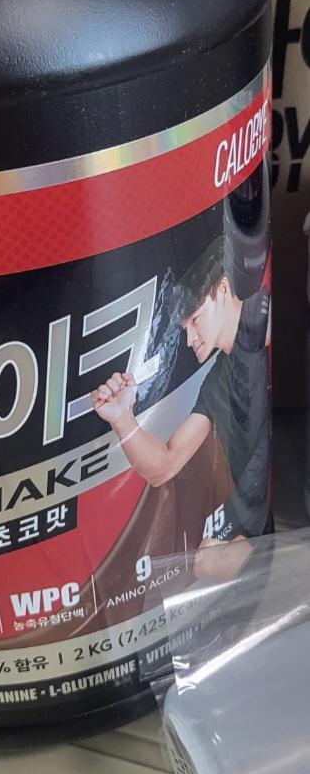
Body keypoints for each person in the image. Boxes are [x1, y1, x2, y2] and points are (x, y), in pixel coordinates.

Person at [90, 236, 271, 562]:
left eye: (195, 319)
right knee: (207, 562)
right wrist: (122, 419)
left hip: (278, 503)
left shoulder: (267, 315)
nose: (189, 339)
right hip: (260, 521)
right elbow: (165, 465)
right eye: (185, 327)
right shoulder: (218, 381)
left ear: (223, 290)